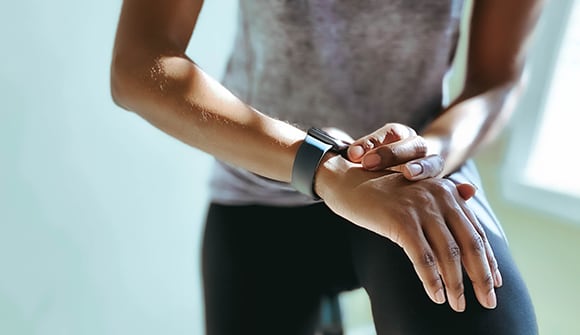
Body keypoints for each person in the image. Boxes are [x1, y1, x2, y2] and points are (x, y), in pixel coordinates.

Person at [110, 0, 544, 334]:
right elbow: (139, 63)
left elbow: (497, 77)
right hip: (262, 189)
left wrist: (426, 154)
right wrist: (324, 167)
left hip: (416, 183)